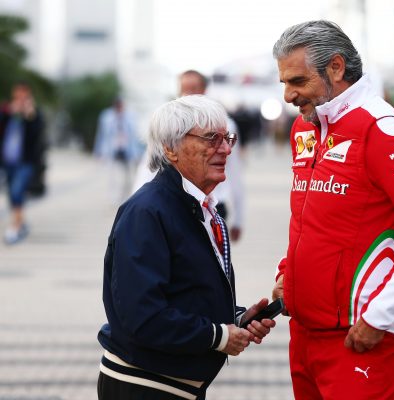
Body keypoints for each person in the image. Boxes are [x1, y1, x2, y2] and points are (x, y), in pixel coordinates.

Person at [271, 20, 394, 399]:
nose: (289, 95)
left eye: (298, 81)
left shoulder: (381, 127)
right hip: (305, 333)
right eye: (284, 83)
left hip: (360, 337)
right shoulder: (304, 130)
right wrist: (288, 276)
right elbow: (306, 219)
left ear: (336, 68)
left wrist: (380, 314)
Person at [97, 95, 275, 400]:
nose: (226, 149)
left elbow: (184, 292)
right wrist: (219, 336)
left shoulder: (200, 207)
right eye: (211, 138)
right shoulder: (148, 212)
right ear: (170, 148)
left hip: (175, 385)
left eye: (227, 138)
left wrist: (235, 320)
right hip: (143, 385)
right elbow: (143, 316)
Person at [132, 70, 245, 241]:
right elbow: (149, 165)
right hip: (179, 204)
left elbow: (235, 173)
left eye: (193, 88)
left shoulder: (225, 124)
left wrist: (239, 218)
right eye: (183, 89)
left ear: (205, 90)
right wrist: (137, 204)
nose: (224, 149)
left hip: (214, 205)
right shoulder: (169, 125)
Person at [0, 82, 45, 245]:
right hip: (7, 161)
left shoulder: (34, 114)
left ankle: (16, 226)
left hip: (25, 161)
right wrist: (9, 113)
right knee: (12, 194)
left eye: (24, 97)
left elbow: (37, 136)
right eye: (17, 96)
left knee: (17, 190)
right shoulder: (7, 111)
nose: (20, 100)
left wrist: (29, 115)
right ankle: (21, 222)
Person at [94, 97, 144, 205]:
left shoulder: (130, 116)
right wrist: (98, 152)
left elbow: (135, 135)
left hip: (128, 151)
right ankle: (114, 199)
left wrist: (139, 153)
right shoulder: (107, 117)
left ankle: (126, 198)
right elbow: (101, 135)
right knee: (113, 177)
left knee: (129, 177)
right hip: (112, 151)